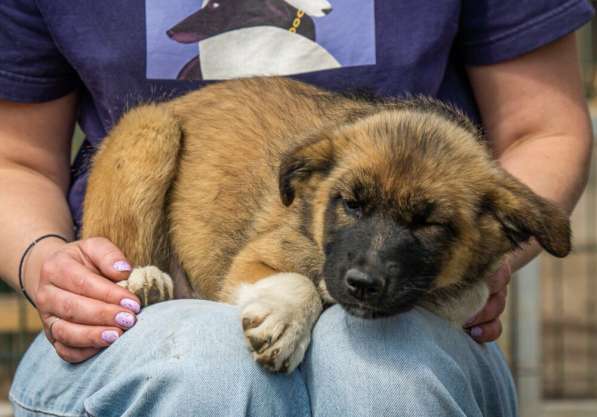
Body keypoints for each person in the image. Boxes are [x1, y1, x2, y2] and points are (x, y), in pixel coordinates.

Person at [0, 0, 593, 415]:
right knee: (203, 371)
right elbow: (15, 159)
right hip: (147, 302)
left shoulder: (397, 193)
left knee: (384, 378)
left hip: (413, 329)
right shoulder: (316, 190)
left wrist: (487, 264)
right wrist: (46, 265)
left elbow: (544, 127)